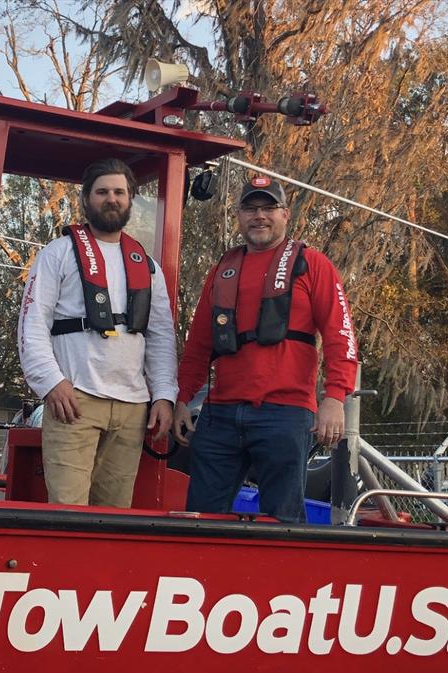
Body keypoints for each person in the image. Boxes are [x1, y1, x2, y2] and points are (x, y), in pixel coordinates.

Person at [173, 176, 358, 523]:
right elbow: (198, 345)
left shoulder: (313, 264)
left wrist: (334, 397)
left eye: (268, 208)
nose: (259, 216)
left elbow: (341, 336)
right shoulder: (221, 271)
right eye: (250, 208)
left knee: (284, 520)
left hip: (285, 414)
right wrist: (182, 399)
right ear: (239, 216)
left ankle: (285, 578)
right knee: (199, 519)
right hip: (221, 415)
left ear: (285, 214)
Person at [18, 158, 178, 508]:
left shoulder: (147, 266)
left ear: (130, 199)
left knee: (115, 515)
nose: (112, 199)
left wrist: (164, 395)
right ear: (86, 199)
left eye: (119, 192)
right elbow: (32, 323)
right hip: (75, 400)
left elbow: (162, 336)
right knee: (68, 509)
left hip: (132, 406)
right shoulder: (57, 254)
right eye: (102, 191)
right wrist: (50, 382)